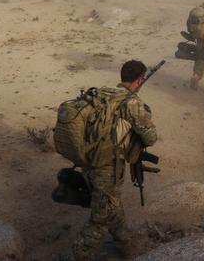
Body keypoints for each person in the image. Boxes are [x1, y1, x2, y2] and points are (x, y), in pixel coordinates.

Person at [68, 60, 158, 260]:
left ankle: (126, 245)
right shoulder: (132, 103)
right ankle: (76, 255)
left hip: (88, 158)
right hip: (107, 165)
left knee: (111, 204)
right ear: (139, 79)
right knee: (101, 217)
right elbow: (150, 138)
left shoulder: (103, 92)